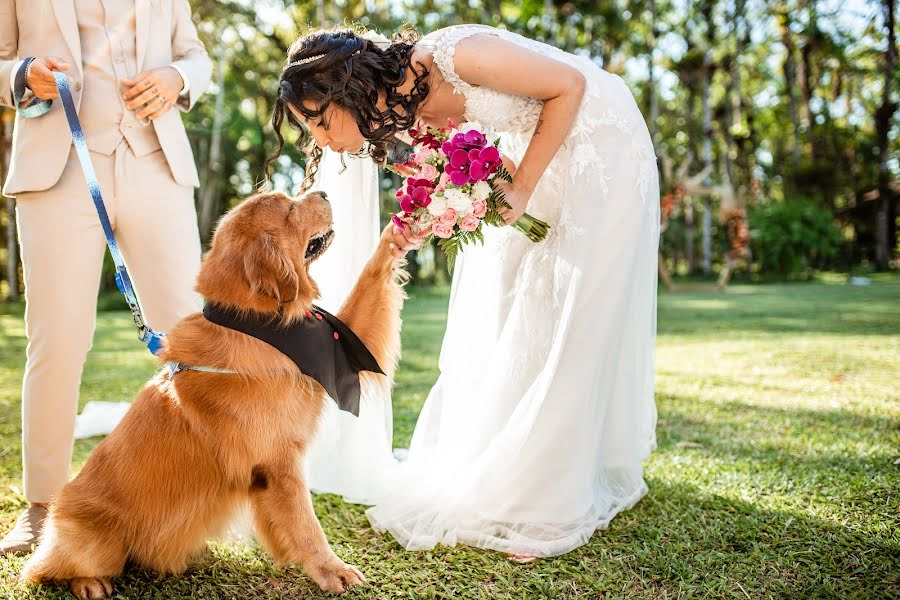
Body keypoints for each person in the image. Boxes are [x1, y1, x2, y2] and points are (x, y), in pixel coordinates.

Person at [268, 24, 659, 559]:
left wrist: (520, 189)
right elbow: (456, 166)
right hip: (541, 145)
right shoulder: (407, 113)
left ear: (348, 89)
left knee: (577, 309)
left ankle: (552, 500)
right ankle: (516, 469)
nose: (319, 138)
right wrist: (436, 213)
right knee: (517, 301)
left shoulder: (452, 56)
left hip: (601, 140)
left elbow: (569, 86)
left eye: (318, 120)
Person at [0, 0, 212, 554]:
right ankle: (43, 505)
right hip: (58, 169)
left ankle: (188, 502)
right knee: (58, 340)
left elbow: (195, 56)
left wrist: (177, 77)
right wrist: (23, 74)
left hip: (155, 165)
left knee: (190, 339)